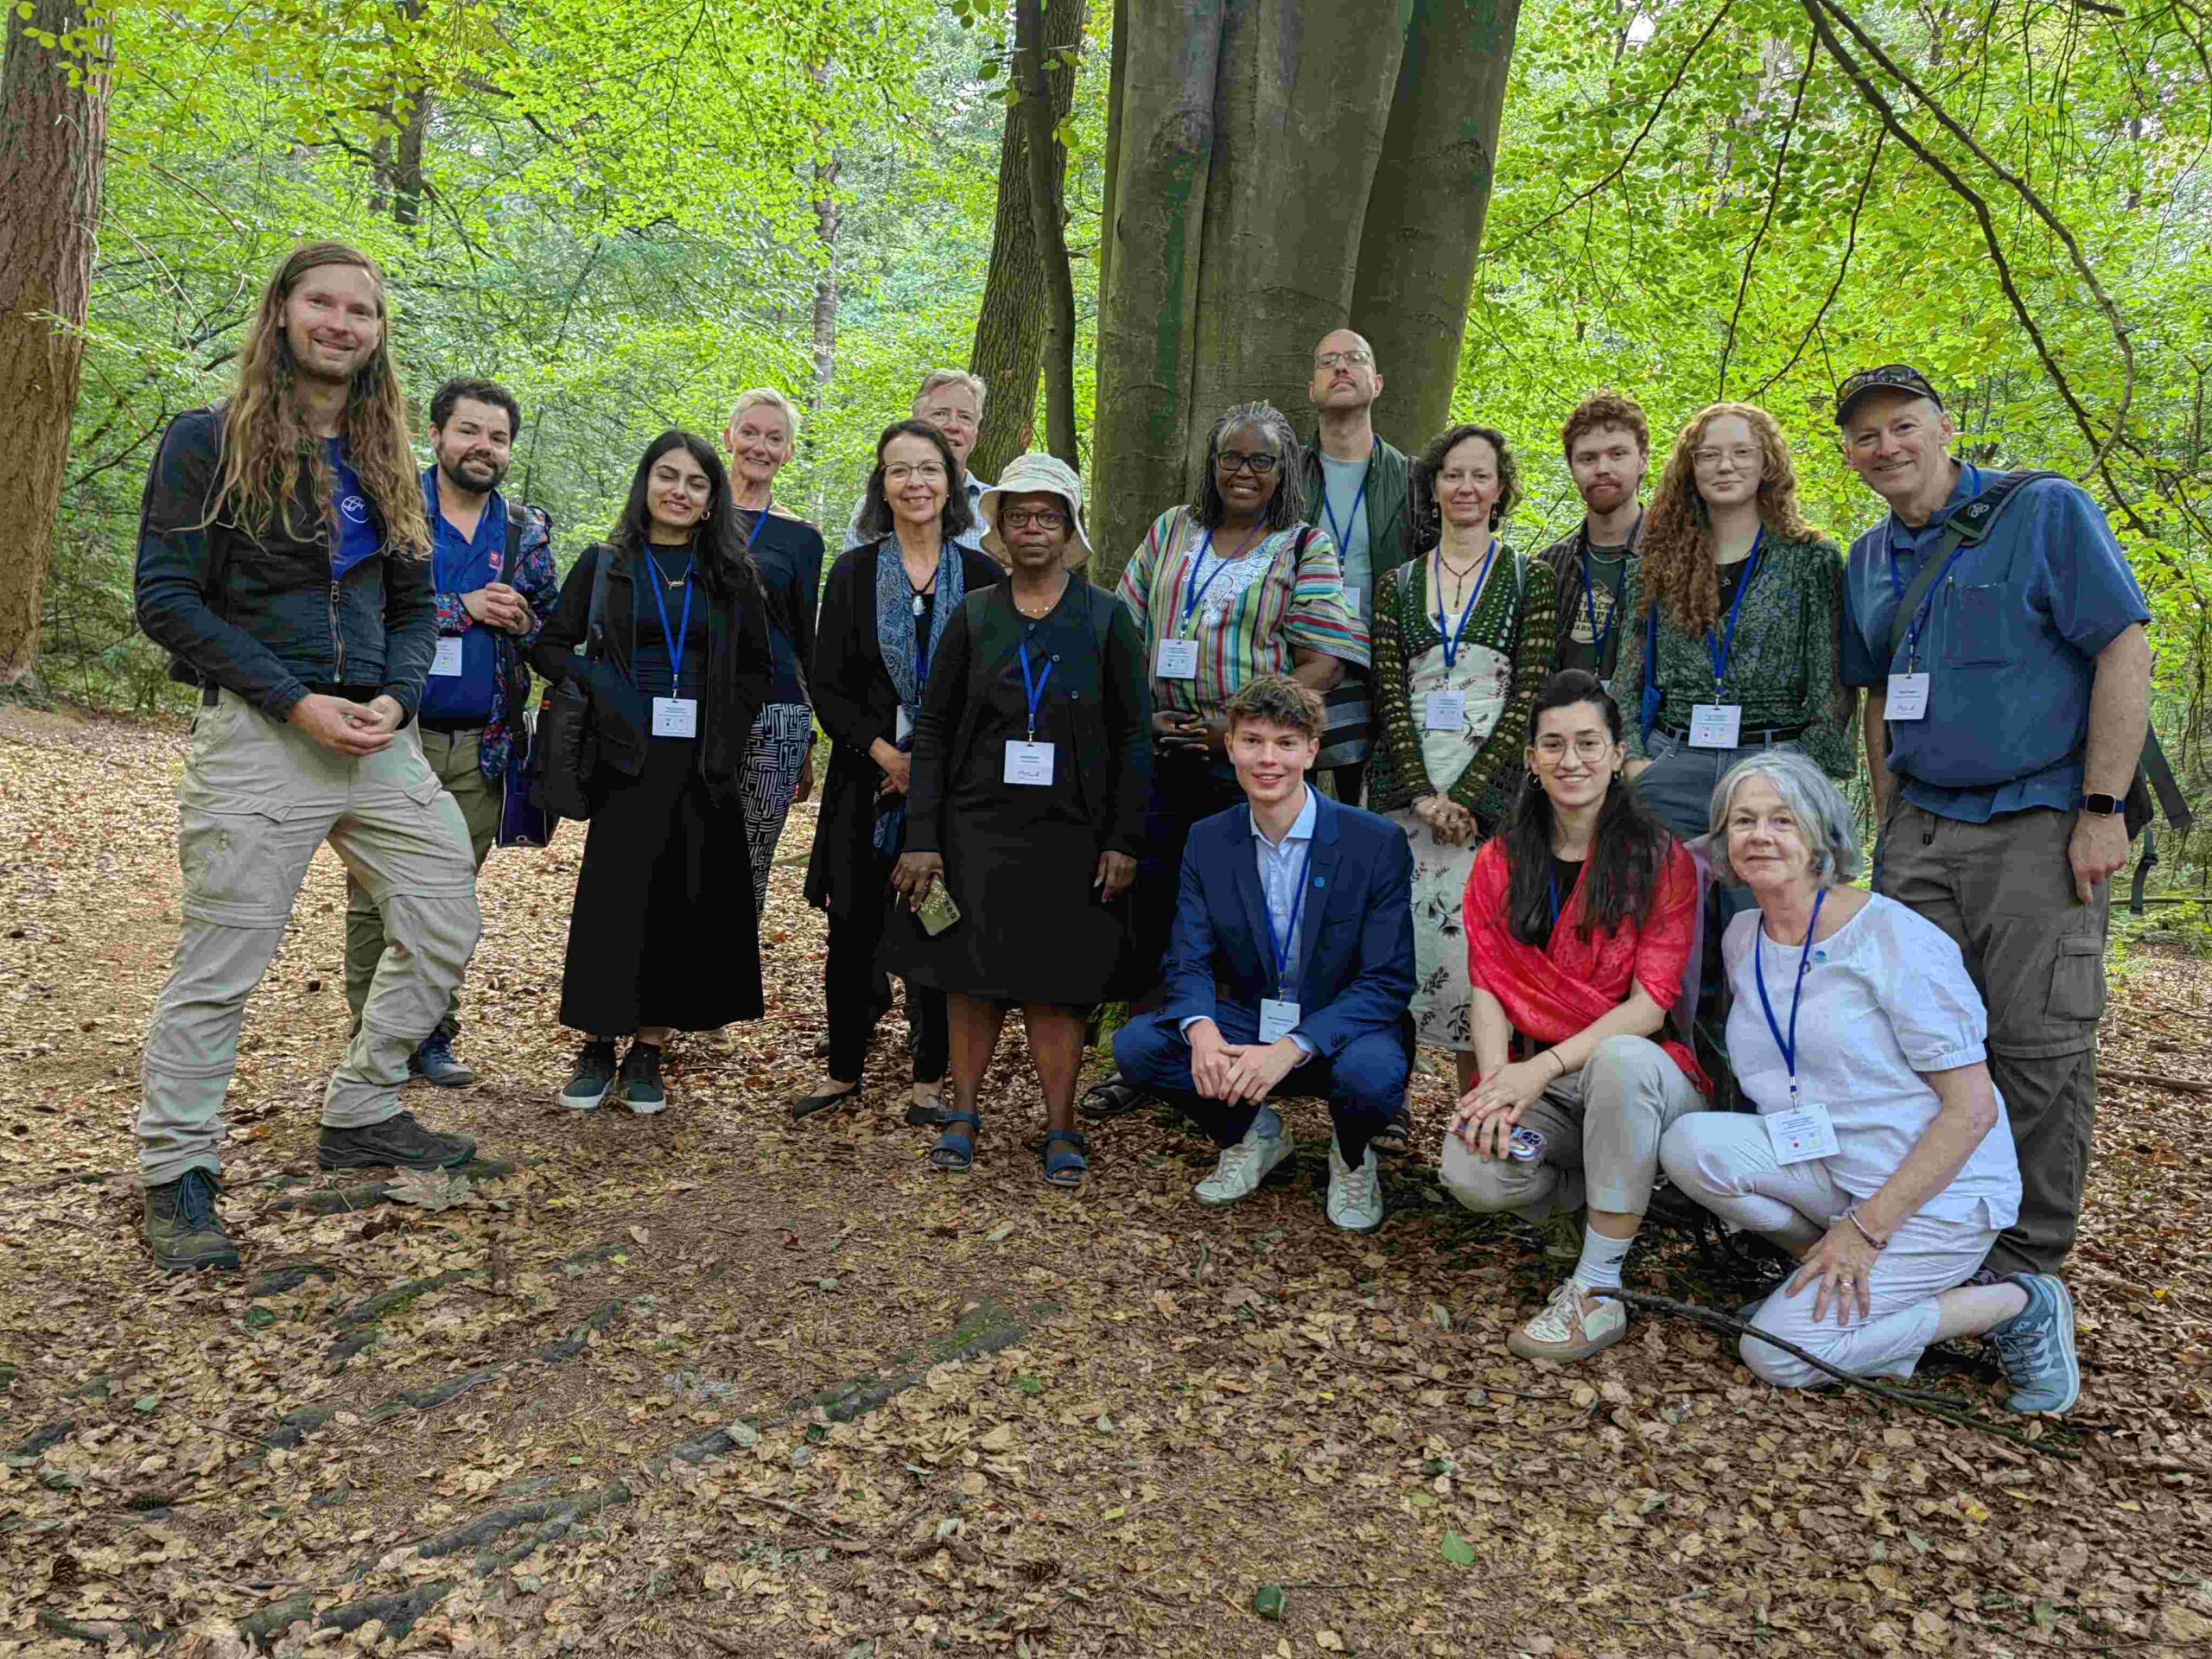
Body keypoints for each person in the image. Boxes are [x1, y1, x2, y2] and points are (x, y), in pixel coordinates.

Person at [131, 242, 483, 1270]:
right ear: (282, 311)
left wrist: (396, 698)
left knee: (445, 918)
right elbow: (166, 599)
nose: (340, 323)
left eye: (360, 311)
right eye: (322, 303)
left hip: (377, 736)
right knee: (222, 962)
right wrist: (293, 701)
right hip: (260, 733)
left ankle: (362, 1107)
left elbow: (415, 606)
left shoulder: (386, 462)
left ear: (378, 333)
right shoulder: (208, 441)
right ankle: (177, 1169)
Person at [1834, 365, 2152, 1278]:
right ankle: (1938, 1236)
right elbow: (1877, 697)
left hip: (2036, 822)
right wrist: (1889, 820)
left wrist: (2101, 809)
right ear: (1850, 456)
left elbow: (2124, 648)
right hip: (1920, 829)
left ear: (1943, 427)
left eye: (1903, 425)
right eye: (1865, 436)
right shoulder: (1867, 558)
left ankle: (2025, 1266)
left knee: (2037, 1047)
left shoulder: (2043, 511)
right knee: (1918, 1043)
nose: (1887, 447)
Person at [1660, 751, 2082, 1412]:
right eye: (1743, 821)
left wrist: (1865, 1231)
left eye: (1782, 820)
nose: (1760, 836)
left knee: (1776, 1353)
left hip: (1934, 1194)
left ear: (1822, 836)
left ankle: (2014, 1304)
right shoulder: (1744, 936)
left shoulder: (1893, 939)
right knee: (1691, 1145)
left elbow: (1971, 1111)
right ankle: (1823, 1275)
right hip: (1834, 1162)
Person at [1082, 402, 1368, 1124]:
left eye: (1261, 460)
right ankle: (1146, 1057)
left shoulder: (1303, 547)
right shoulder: (1172, 530)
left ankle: (1238, 1059)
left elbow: (1325, 660)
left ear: (1283, 471)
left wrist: (1239, 732)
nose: (1244, 471)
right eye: (1232, 457)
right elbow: (1124, 631)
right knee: (1149, 902)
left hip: (1245, 766)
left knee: (1238, 909)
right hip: (1158, 751)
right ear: (1212, 464)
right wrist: (1141, 716)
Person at [886, 454, 1152, 1185]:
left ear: (1070, 529)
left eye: (1048, 516)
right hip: (976, 832)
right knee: (970, 980)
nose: (1034, 527)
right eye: (1019, 515)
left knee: (1058, 986)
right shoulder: (975, 615)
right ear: (999, 527)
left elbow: (1134, 735)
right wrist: (922, 837)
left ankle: (1061, 1126)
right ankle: (963, 1115)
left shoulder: (1106, 618)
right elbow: (933, 729)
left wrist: (1124, 837)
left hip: (1073, 837)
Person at [1439, 671, 1712, 1361]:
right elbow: (1489, 984)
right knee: (1472, 1169)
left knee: (1619, 1060)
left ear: (1617, 755)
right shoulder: (1501, 860)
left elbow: (1650, 1008)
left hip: (1641, 1074)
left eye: (1589, 743)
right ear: (1532, 759)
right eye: (1554, 745)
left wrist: (1539, 1071)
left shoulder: (1661, 860)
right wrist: (1496, 1085)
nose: (1572, 760)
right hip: (1547, 1083)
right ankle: (1591, 1202)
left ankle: (1598, 1288)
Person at [1114, 677, 1414, 1232]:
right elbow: (1187, 957)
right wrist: (1202, 1029)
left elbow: (1388, 981)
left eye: (1285, 743)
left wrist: (1293, 1046)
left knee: (1372, 1078)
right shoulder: (1209, 838)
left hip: (1341, 1025)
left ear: (1312, 751)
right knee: (1140, 1046)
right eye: (1252, 741)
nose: (1268, 759)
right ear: (1229, 746)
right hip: (1252, 1016)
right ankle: (1255, 1135)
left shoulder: (1375, 842)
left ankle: (1352, 1156)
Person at [531, 432, 774, 1116]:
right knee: (615, 902)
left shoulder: (732, 574)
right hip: (623, 758)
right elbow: (550, 647)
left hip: (702, 765)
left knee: (680, 902)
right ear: (645, 484)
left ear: (712, 500)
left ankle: (648, 1049)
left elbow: (759, 669)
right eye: (667, 476)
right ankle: (597, 1043)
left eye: (696, 483)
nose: (679, 491)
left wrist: (725, 728)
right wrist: (604, 687)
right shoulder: (607, 564)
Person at [339, 376, 557, 1089]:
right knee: (375, 894)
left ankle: (431, 1033)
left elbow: (554, 632)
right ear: (436, 435)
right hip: (394, 733)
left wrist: (525, 622)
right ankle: (372, 1036)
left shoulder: (524, 530)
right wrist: (461, 607)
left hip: (482, 744)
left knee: (449, 897)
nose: (482, 446)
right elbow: (358, 608)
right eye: (468, 430)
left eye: (497, 437)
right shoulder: (391, 507)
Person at [800, 421, 1002, 1123]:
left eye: (929, 469)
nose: (915, 483)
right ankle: (842, 1072)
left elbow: (993, 691)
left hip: (951, 791)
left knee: (939, 923)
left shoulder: (984, 578)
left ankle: (928, 1082)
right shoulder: (853, 573)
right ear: (881, 487)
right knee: (851, 927)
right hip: (864, 779)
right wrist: (887, 756)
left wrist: (931, 768)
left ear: (951, 484)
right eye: (899, 470)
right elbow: (827, 684)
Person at [1367, 423, 1557, 1085]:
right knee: (1398, 953)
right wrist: (1423, 795)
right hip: (1407, 795)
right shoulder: (1396, 585)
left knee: (1482, 958)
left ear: (1501, 488)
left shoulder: (1531, 579)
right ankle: (1386, 1110)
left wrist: (1468, 799)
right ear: (1433, 486)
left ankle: (1479, 1113)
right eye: (1453, 474)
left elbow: (1529, 698)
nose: (1466, 487)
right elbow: (1388, 698)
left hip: (1493, 800)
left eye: (1481, 475)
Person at [1608, 402, 1850, 850]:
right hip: (1673, 763)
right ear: (1690, 468)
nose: (1725, 466)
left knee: (1763, 895)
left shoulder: (1809, 559)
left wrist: (1807, 769)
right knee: (1664, 894)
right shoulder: (1656, 563)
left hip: (1775, 766)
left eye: (1742, 452)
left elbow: (1831, 682)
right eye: (1709, 455)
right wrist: (1636, 763)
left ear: (1767, 463)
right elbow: (1628, 676)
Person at [1297, 329, 1414, 800]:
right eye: (1327, 361)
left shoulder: (1412, 480)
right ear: (1312, 389)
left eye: (1355, 358)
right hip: (1298, 660)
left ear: (1377, 383)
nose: (1341, 367)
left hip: (1382, 669)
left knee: (1366, 810)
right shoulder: (1284, 476)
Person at [724, 388, 826, 915]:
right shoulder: (690, 515)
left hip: (776, 716)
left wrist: (807, 736)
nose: (760, 447)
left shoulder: (801, 539)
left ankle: (734, 963)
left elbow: (805, 640)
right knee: (686, 846)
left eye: (774, 438)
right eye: (750, 433)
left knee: (751, 859)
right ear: (729, 438)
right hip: (697, 706)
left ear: (787, 453)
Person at [1538, 392, 1649, 679]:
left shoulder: (1677, 557)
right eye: (1588, 458)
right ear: (1572, 468)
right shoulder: (1547, 566)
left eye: (1617, 454)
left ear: (1642, 461)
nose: (1602, 469)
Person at [842, 370, 992, 554]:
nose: (953, 426)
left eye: (965, 417)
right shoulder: (876, 507)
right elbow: (853, 570)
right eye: (940, 414)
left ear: (976, 433)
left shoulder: (995, 507)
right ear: (916, 423)